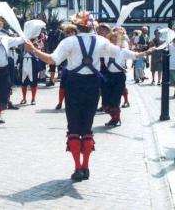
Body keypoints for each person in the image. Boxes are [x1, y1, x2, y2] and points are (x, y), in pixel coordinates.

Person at [24, 11, 120, 182]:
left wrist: (33, 50)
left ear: (77, 25)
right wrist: (117, 36)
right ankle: (86, 166)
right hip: (93, 86)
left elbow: (52, 60)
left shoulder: (69, 41)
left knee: (74, 127)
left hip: (74, 85)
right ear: (92, 26)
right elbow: (117, 53)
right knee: (87, 126)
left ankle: (78, 168)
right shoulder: (101, 41)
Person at [104, 31, 154, 126]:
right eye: (112, 40)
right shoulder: (105, 51)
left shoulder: (123, 51)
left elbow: (136, 55)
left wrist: (148, 52)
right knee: (106, 101)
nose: (114, 42)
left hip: (119, 77)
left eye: (116, 40)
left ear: (119, 41)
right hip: (108, 76)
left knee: (115, 99)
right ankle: (113, 118)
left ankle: (117, 119)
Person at [55, 24, 77, 110]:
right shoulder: (64, 42)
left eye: (72, 32)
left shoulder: (79, 42)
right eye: (68, 32)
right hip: (66, 67)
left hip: (76, 68)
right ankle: (60, 102)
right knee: (62, 86)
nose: (70, 33)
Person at [18, 38, 41, 105]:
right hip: (24, 70)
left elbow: (39, 62)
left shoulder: (35, 51)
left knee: (33, 84)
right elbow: (20, 62)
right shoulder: (22, 52)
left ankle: (33, 99)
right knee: (23, 84)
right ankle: (24, 98)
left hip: (33, 69)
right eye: (25, 45)